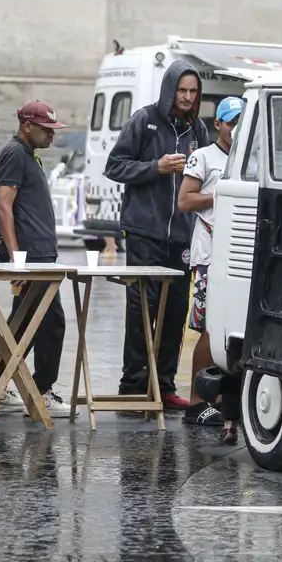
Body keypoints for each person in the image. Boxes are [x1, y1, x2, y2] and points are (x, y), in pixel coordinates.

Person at [104, 61, 209, 409]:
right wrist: (155, 167)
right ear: (170, 90)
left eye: (193, 92)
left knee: (176, 310)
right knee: (141, 309)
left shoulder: (200, 132)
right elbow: (114, 166)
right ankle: (133, 387)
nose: (188, 98)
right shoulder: (143, 120)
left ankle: (163, 386)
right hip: (144, 232)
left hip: (182, 237)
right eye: (182, 91)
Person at [0, 101, 71, 418]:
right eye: (46, 129)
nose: (51, 135)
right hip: (31, 258)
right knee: (50, 325)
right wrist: (16, 258)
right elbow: (4, 207)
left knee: (23, 326)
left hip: (39, 255)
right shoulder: (14, 155)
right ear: (27, 126)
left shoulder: (26, 156)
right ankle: (40, 390)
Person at [177, 97, 244, 435]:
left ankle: (224, 401)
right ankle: (195, 404)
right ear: (218, 124)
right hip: (208, 257)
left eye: (242, 121)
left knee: (234, 330)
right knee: (206, 328)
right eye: (231, 121)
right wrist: (219, 195)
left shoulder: (251, 159)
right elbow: (185, 200)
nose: (236, 127)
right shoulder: (202, 157)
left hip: (240, 255)